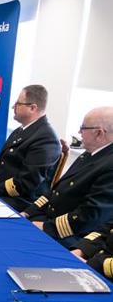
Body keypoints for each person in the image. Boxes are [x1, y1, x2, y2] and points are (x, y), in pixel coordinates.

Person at [22, 106, 113, 247]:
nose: (79, 132)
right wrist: (29, 212)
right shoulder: (89, 154)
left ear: (99, 133)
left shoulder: (109, 165)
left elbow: (89, 215)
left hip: (73, 234)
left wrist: (47, 227)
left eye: (83, 128)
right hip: (50, 218)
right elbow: (56, 190)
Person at [0, 85, 62, 211]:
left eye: (18, 104)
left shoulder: (46, 139)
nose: (13, 107)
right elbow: (1, 165)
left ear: (32, 108)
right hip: (1, 192)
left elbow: (27, 182)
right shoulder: (21, 130)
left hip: (21, 201)